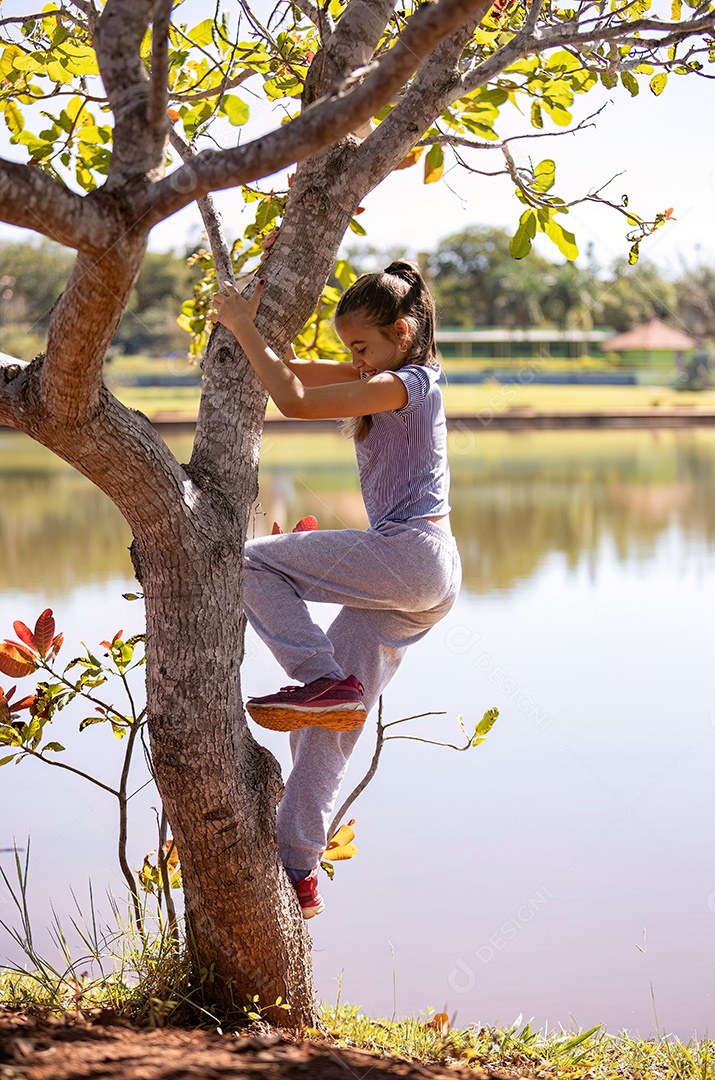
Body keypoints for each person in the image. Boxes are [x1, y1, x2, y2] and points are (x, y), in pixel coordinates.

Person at [211, 260, 461, 918]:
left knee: (252, 563)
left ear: (403, 332)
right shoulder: (382, 376)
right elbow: (292, 376)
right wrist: (256, 336)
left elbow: (291, 401)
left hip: (411, 554)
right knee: (330, 728)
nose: (352, 359)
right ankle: (297, 869)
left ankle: (321, 678)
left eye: (360, 347)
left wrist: (240, 322)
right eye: (349, 348)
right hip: (423, 576)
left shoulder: (406, 383)